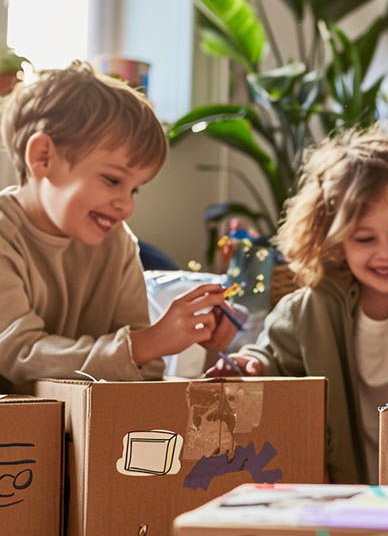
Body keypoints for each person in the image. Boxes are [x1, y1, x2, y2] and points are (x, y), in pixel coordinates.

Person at [209, 127, 388, 484]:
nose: (386, 252)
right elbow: (277, 362)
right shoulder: (308, 310)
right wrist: (253, 364)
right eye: (364, 238)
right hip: (334, 480)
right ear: (334, 239)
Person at [0, 60, 238, 392]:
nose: (126, 206)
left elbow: (146, 366)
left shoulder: (119, 244)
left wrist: (192, 335)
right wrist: (144, 344)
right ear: (43, 157)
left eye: (134, 189)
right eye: (112, 180)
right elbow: (16, 355)